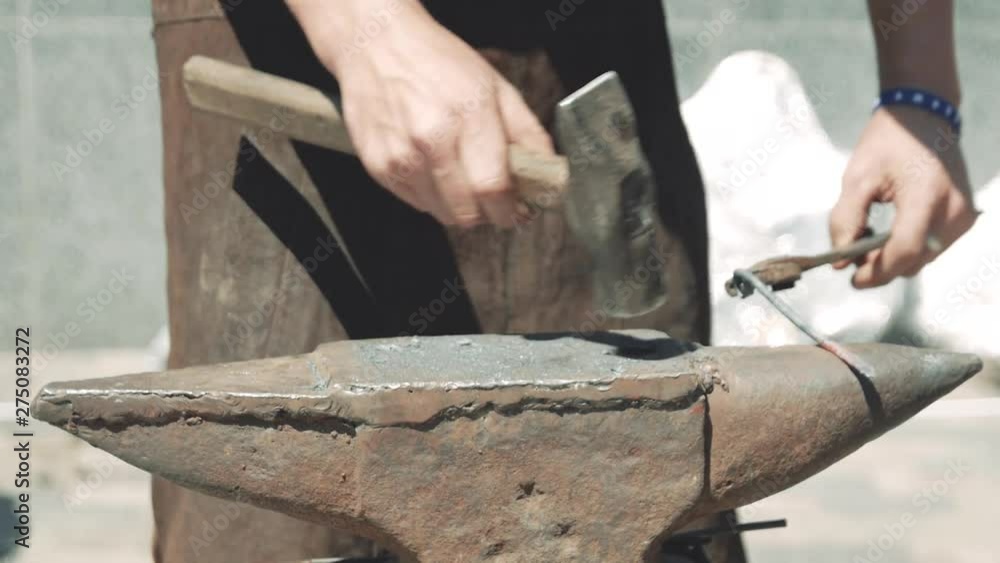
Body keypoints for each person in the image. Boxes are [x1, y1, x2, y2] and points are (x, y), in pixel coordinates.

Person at [149, 0, 975, 561]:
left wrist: (920, 88)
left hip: (593, 47)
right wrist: (367, 29)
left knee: (647, 488)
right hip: (285, 46)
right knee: (278, 513)